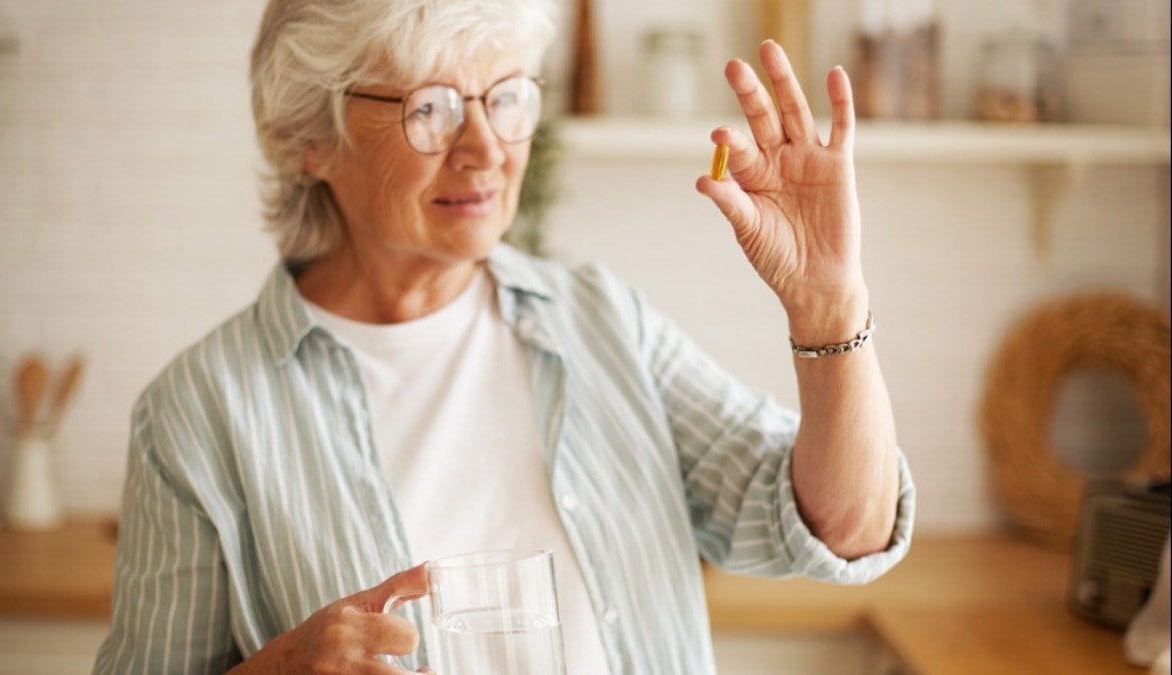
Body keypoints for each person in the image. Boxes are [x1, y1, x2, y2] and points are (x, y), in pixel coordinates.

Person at [92, 0, 915, 672]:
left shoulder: (601, 321)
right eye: (430, 108)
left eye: (507, 96)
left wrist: (830, 304)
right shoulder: (197, 413)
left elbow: (847, 528)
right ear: (309, 138)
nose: (485, 149)